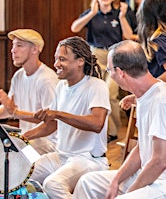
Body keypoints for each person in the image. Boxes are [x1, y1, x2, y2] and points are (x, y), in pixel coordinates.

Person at [73, 40, 166, 199]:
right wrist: (116, 180)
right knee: (88, 182)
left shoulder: (162, 101)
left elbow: (160, 162)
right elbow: (142, 148)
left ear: (120, 72)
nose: (110, 74)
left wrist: (131, 191)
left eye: (109, 70)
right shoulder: (144, 96)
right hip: (154, 177)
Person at [21, 36, 110, 199]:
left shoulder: (97, 86)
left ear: (80, 61)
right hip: (61, 156)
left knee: (52, 184)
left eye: (62, 59)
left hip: (88, 160)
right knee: (22, 174)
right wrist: (22, 138)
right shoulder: (61, 86)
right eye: (56, 59)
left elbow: (97, 123)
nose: (56, 64)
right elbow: (51, 125)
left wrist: (58, 113)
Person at [70, 0, 136, 142]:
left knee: (110, 92)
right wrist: (92, 13)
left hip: (115, 56)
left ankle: (112, 131)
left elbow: (128, 35)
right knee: (95, 92)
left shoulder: (118, 14)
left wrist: (121, 17)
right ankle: (98, 130)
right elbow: (74, 28)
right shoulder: (92, 14)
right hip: (96, 55)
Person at [119, 0, 166, 110]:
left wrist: (147, 90)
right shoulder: (159, 37)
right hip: (160, 94)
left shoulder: (160, 40)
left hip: (164, 97)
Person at [0, 29, 58, 155]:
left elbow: (51, 122)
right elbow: (8, 110)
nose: (13, 50)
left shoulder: (47, 80)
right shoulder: (18, 75)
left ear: (35, 49)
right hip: (28, 140)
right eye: (13, 45)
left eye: (19, 45)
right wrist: (13, 112)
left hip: (48, 144)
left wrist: (16, 113)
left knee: (8, 154)